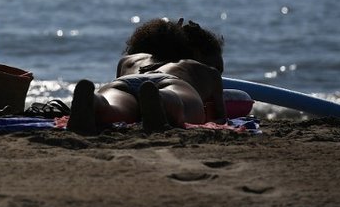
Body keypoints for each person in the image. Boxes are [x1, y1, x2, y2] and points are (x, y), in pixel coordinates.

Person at [67, 18, 226, 133]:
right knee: (180, 105)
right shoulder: (200, 69)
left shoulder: (128, 60)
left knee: (116, 108)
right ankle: (162, 99)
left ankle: (95, 102)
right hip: (170, 82)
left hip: (125, 82)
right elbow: (219, 119)